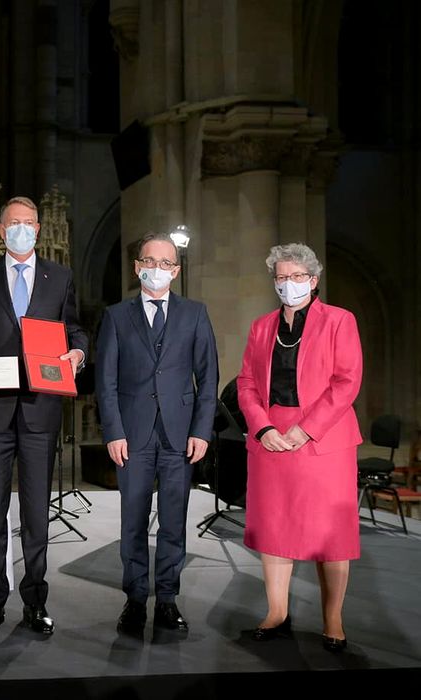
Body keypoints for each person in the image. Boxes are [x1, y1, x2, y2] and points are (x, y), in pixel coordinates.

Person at [0, 196, 88, 636]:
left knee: (35, 516)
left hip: (40, 409)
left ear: (38, 229)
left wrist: (77, 353)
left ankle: (35, 603)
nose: (21, 229)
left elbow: (75, 329)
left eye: (28, 222)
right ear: (1, 230)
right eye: (13, 223)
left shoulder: (60, 277)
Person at [237, 242, 363, 653]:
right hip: (271, 437)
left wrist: (306, 430)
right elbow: (246, 383)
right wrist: (261, 427)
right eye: (281, 277)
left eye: (296, 276)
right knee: (275, 528)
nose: (288, 283)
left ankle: (333, 619)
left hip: (324, 438)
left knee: (330, 534)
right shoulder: (261, 327)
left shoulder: (340, 321)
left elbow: (346, 381)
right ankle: (277, 612)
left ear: (313, 279)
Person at [95, 232, 218, 636]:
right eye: (149, 261)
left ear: (176, 271)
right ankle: (134, 600)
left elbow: (208, 378)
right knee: (132, 521)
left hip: (180, 436)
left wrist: (202, 430)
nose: (157, 269)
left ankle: (167, 599)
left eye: (166, 263)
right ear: (137, 267)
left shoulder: (195, 313)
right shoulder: (116, 316)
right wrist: (113, 431)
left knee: (173, 521)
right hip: (132, 435)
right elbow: (106, 381)